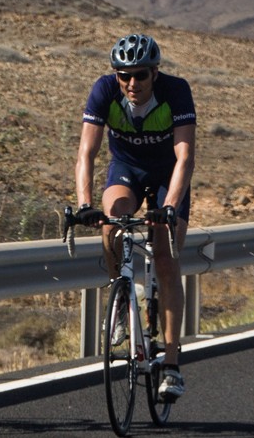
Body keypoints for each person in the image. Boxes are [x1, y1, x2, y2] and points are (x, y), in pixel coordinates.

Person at [73, 32, 197, 402]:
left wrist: (170, 205)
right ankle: (122, 298)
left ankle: (172, 362)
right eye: (123, 75)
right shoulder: (104, 91)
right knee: (111, 224)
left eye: (140, 75)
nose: (131, 83)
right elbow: (86, 152)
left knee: (165, 257)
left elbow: (185, 157)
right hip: (126, 168)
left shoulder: (176, 91)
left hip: (167, 175)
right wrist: (83, 204)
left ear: (154, 73)